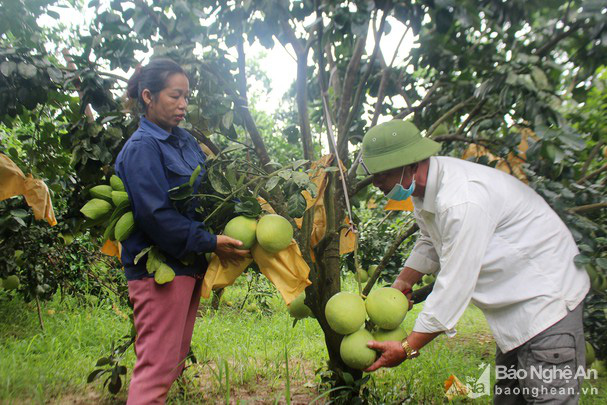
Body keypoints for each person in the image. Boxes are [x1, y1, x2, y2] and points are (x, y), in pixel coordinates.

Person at [358, 120, 590, 404]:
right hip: (516, 312)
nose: (376, 184)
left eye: (381, 174)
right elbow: (430, 240)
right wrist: (402, 284)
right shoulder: (424, 189)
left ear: (411, 165)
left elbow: (455, 283)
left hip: (548, 304)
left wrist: (407, 348)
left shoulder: (461, 199)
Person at [115, 58, 248, 404]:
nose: (183, 104)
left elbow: (206, 193)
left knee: (172, 363)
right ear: (148, 96)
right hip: (158, 270)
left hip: (188, 265)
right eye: (175, 96)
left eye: (186, 96)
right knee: (157, 369)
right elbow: (155, 215)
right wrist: (209, 241)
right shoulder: (143, 148)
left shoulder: (185, 141)